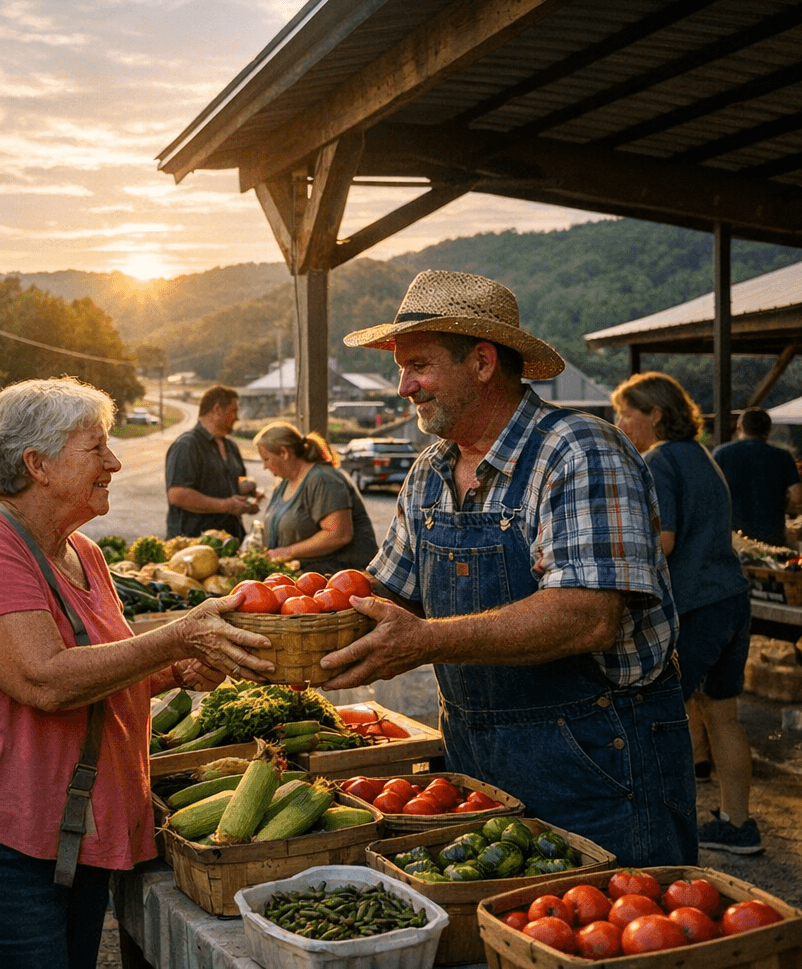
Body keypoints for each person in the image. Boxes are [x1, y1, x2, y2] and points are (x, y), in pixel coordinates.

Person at [0, 377, 274, 969]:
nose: (114, 461)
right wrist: (177, 635)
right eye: (96, 449)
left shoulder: (82, 552)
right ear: (37, 463)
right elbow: (44, 679)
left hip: (61, 829)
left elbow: (101, 668)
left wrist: (175, 669)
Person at [324, 269, 696, 867]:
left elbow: (586, 618)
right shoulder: (430, 470)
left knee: (607, 940)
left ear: (481, 362)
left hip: (597, 755)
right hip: (474, 756)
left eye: (417, 365)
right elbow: (388, 593)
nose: (403, 387)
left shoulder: (578, 449)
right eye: (401, 369)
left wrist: (422, 642)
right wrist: (286, 621)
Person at [611, 372, 760, 855]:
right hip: (732, 598)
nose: (619, 422)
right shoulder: (703, 456)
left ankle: (658, 828)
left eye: (625, 413)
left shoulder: (659, 460)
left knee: (660, 715)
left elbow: (664, 539)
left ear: (655, 414)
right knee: (722, 715)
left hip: (696, 603)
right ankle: (738, 823)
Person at [251, 422, 378, 575]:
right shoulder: (283, 484)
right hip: (297, 578)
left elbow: (339, 535)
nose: (265, 467)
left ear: (283, 453)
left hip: (334, 580)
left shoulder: (323, 479)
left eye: (266, 459)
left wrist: (286, 552)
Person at [164, 384, 261, 540]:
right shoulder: (186, 445)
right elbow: (177, 495)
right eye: (233, 411)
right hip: (194, 546)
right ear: (217, 410)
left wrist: (251, 493)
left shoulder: (231, 446)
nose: (237, 418)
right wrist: (226, 505)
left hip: (232, 541)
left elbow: (238, 482)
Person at [712, 407, 802, 547]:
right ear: (768, 430)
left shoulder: (721, 454)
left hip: (733, 537)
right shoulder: (783, 456)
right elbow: (797, 496)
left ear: (740, 428)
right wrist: (785, 506)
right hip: (772, 536)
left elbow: (708, 495)